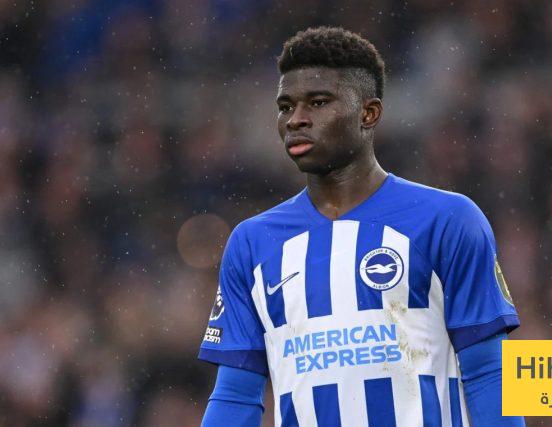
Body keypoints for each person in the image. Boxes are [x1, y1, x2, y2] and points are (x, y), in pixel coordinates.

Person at [198, 26, 525, 427]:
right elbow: (235, 395)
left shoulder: (449, 219)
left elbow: (488, 372)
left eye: (318, 102)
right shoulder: (252, 243)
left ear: (369, 113)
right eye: (286, 107)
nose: (296, 120)